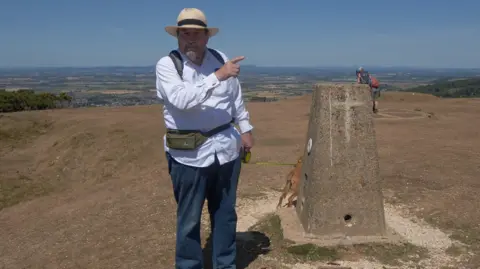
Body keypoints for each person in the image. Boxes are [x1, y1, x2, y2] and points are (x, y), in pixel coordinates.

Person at [155, 7, 254, 269]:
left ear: (206, 37)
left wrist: (245, 129)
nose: (190, 39)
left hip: (226, 151)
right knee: (189, 220)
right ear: (177, 37)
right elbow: (181, 100)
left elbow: (235, 98)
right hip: (188, 157)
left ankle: (225, 264)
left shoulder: (219, 58)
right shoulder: (168, 65)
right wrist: (218, 76)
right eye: (184, 33)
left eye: (196, 34)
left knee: (225, 214)